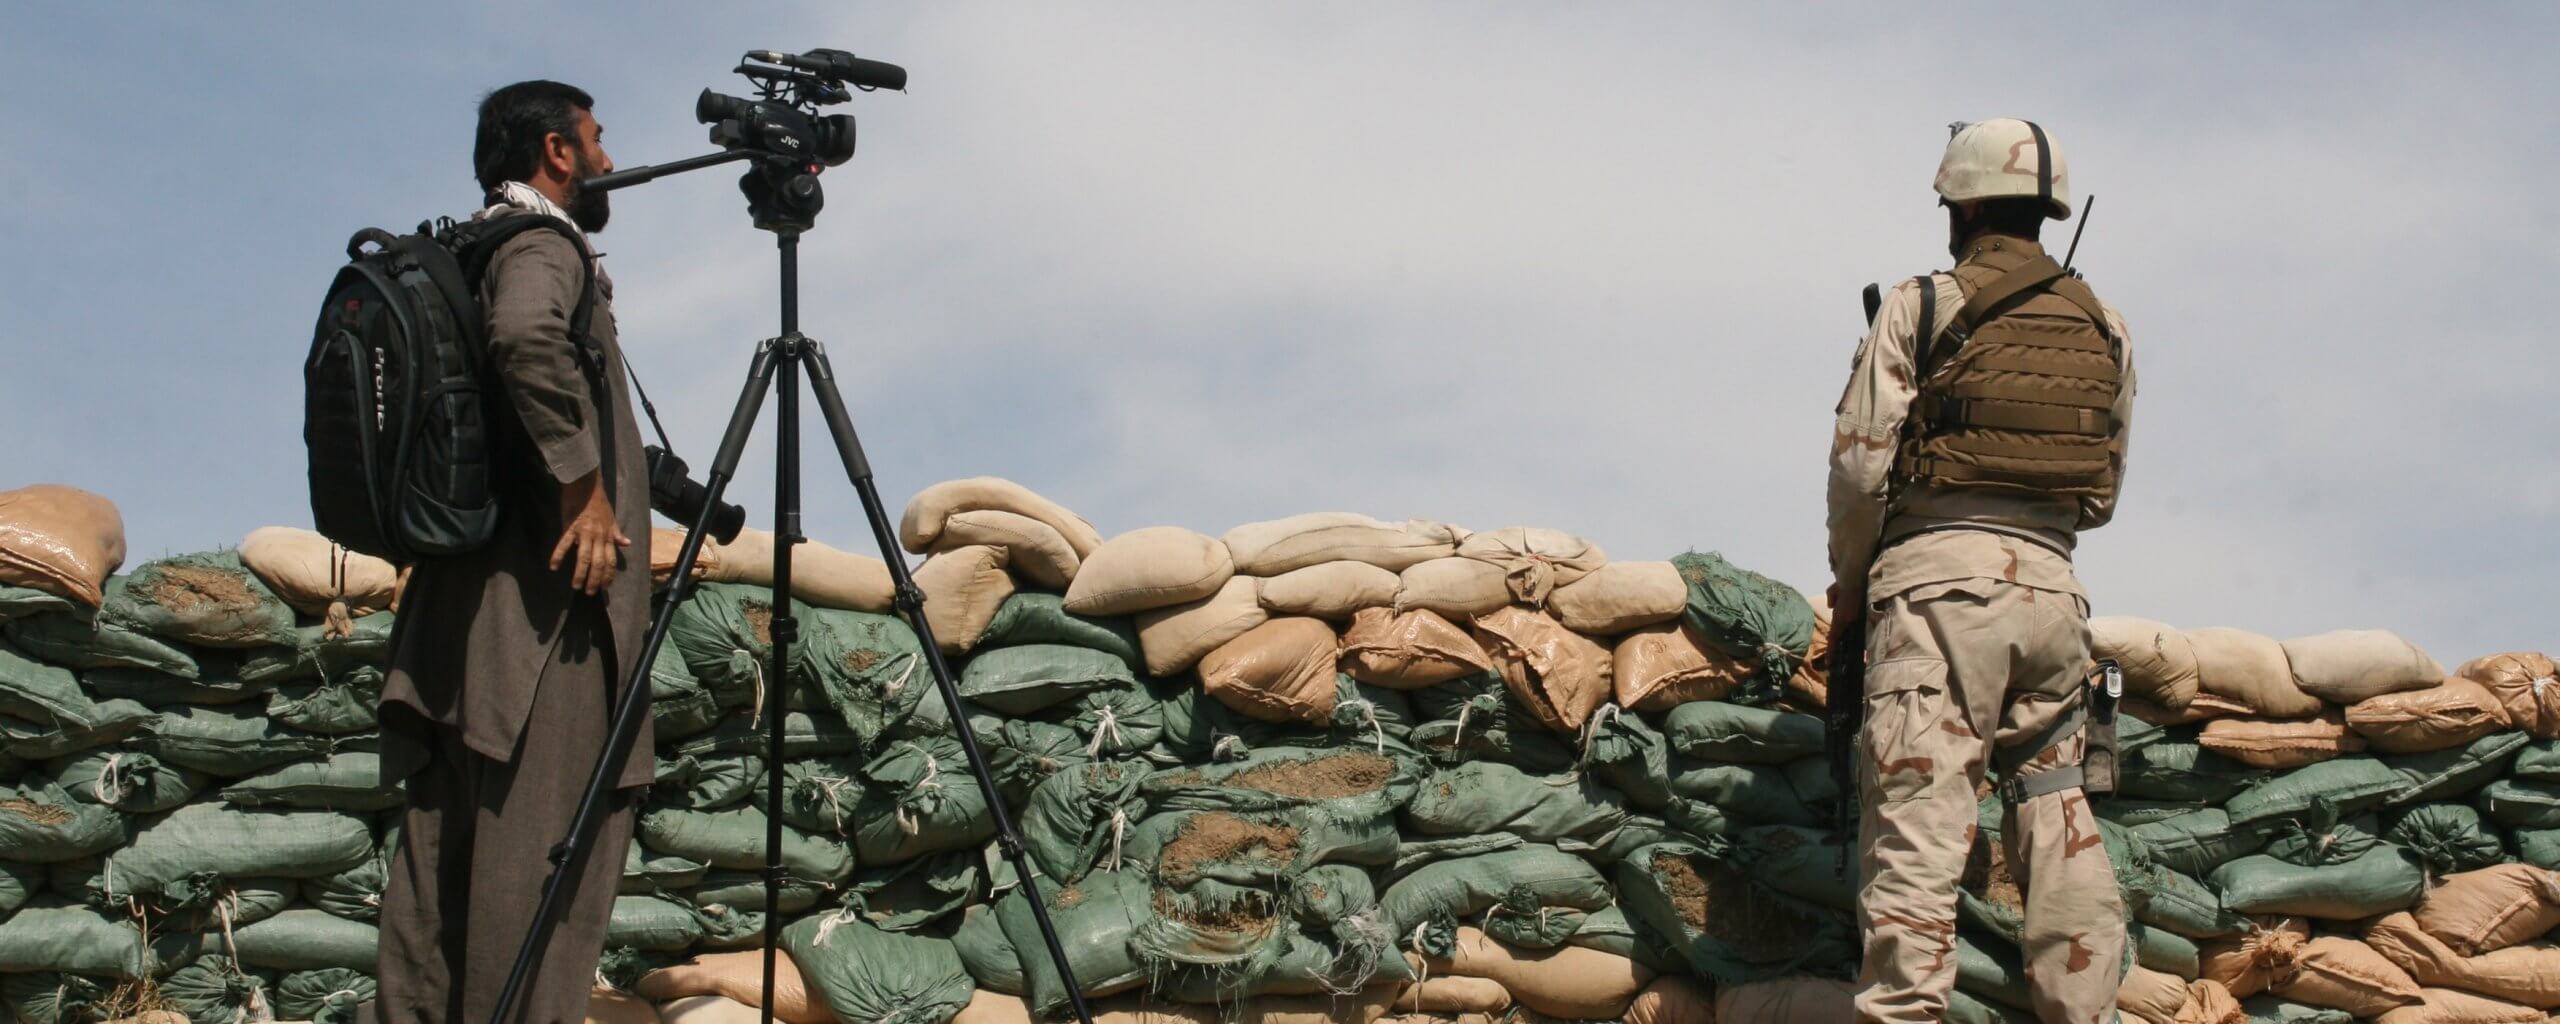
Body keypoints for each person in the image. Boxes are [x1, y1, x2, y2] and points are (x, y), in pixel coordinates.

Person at [1825, 118, 2135, 1024]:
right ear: (2048, 209)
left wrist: (1853, 585)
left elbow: (1858, 467)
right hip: (2056, 593)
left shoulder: (1921, 306)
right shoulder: (2105, 325)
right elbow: (2103, 489)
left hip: (1938, 592)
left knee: (1918, 829)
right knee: (2058, 811)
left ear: (1957, 203)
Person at [376, 80, 655, 1024]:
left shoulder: (478, 244)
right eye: (597, 139)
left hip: (462, 628)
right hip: (538, 638)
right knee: (537, 884)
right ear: (557, 152)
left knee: (436, 892)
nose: (610, 160)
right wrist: (587, 489)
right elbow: (527, 338)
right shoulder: (541, 244)